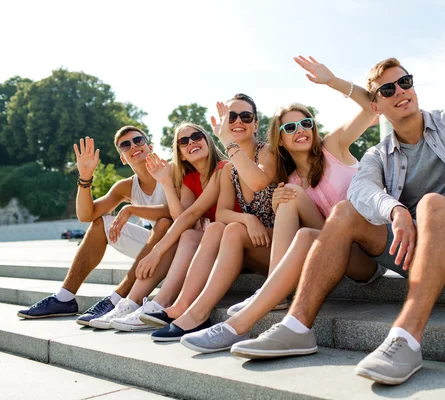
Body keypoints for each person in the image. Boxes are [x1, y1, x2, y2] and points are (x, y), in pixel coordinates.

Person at [231, 5, 445, 386]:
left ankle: (405, 339)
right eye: (387, 90)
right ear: (376, 105)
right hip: (416, 250)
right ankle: (296, 326)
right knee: (345, 211)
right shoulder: (377, 155)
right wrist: (394, 209)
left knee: (430, 204)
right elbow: (363, 190)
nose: (401, 92)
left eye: (405, 82)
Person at [179, 57, 385, 353]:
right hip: (332, 250)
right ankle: (268, 298)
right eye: (290, 128)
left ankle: (249, 314)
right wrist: (277, 204)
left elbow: (370, 107)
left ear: (314, 128)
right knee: (289, 199)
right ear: (281, 139)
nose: (300, 130)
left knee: (290, 198)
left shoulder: (333, 146)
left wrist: (333, 81)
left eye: (305, 123)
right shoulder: (288, 178)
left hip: (367, 251)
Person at [146, 93, 280, 342]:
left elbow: (259, 181)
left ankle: (197, 313)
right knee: (218, 227)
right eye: (231, 116)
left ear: (256, 123)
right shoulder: (228, 168)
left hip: (281, 249)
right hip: (252, 244)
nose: (238, 120)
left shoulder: (267, 152)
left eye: (245, 116)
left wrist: (229, 143)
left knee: (229, 229)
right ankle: (184, 306)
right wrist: (248, 219)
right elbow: (221, 213)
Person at [17, 127, 173, 324]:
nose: (133, 145)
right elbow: (86, 215)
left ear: (149, 147)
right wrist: (85, 177)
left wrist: (132, 209)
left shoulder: (172, 170)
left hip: (185, 248)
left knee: (164, 224)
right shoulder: (125, 187)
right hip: (156, 250)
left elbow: (177, 212)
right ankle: (64, 298)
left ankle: (116, 299)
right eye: (126, 145)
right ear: (123, 158)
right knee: (101, 222)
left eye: (138, 140)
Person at [91, 122, 227, 330]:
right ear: (180, 154)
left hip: (234, 241)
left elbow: (190, 214)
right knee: (186, 234)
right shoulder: (189, 179)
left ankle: (159, 303)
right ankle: (133, 302)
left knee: (176, 231)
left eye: (197, 136)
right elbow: (183, 217)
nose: (191, 142)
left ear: (207, 139)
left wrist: (156, 250)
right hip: (211, 240)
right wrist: (165, 182)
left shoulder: (222, 169)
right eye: (183, 141)